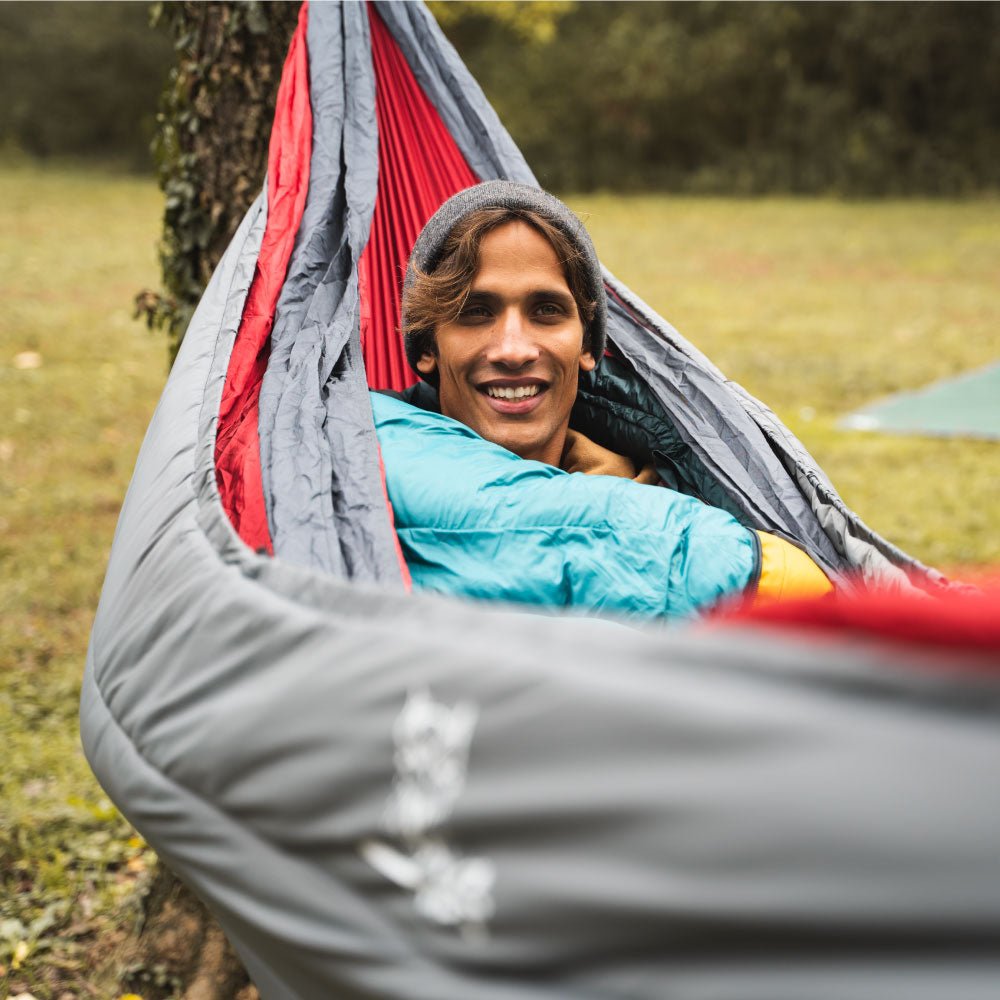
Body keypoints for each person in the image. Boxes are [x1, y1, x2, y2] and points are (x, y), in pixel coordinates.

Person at [370, 180, 831, 619]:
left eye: (546, 311)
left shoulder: (681, 495)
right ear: (428, 346)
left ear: (588, 346)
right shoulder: (358, 454)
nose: (513, 349)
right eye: (475, 312)